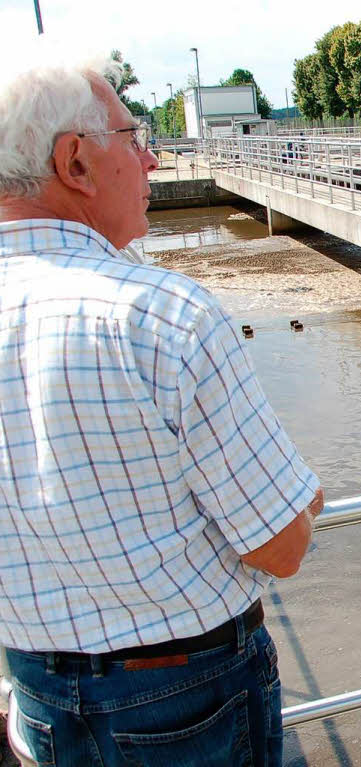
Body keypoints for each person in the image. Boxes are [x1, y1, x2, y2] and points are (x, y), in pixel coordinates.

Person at [0, 51, 324, 766]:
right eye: (133, 136)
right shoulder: (158, 314)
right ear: (75, 162)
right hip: (186, 691)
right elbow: (282, 544)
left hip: (35, 686)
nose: (150, 160)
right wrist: (304, 496)